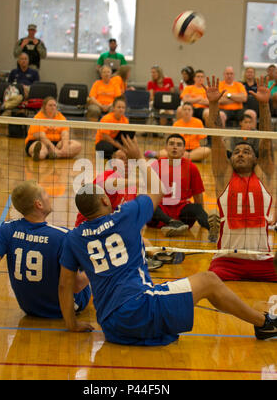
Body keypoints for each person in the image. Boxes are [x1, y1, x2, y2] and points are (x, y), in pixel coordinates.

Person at [58, 135, 277, 344]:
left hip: (109, 324)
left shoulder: (73, 238)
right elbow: (158, 190)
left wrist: (72, 324)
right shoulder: (125, 216)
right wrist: (140, 159)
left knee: (154, 267)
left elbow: (65, 286)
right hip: (140, 308)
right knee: (209, 280)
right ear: (106, 200)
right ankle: (265, 324)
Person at [0, 181, 92, 322]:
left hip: (29, 308)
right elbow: (77, 286)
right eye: (44, 193)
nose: (48, 195)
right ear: (39, 204)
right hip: (66, 308)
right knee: (87, 262)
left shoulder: (6, 229)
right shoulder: (62, 236)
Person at [204, 75, 277, 282]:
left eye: (246, 151)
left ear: (256, 159)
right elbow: (216, 139)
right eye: (236, 152)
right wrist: (213, 104)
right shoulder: (224, 176)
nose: (241, 154)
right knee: (207, 281)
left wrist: (264, 106)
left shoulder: (264, 175)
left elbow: (266, 142)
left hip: (262, 260)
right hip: (228, 260)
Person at [75, 149, 162, 271]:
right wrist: (140, 182)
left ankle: (159, 255)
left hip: (108, 230)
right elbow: (110, 184)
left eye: (129, 160)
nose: (126, 162)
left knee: (141, 239)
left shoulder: (131, 187)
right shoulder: (106, 175)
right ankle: (143, 258)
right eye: (121, 159)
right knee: (134, 239)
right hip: (88, 230)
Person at [145, 134, 212, 239]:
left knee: (197, 208)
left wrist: (200, 214)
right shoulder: (155, 166)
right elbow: (148, 195)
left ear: (184, 150)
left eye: (179, 145)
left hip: (182, 212)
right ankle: (172, 223)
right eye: (171, 144)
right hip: (160, 212)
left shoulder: (191, 167)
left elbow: (198, 195)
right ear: (166, 148)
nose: (175, 147)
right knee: (146, 204)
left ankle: (212, 229)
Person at [25, 96, 82, 161]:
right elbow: (41, 136)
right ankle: (42, 154)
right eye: (50, 105)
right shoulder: (38, 117)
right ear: (44, 107)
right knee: (41, 152)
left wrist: (64, 148)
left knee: (77, 146)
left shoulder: (60, 117)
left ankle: (55, 155)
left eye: (54, 105)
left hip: (57, 143)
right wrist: (54, 149)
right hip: (40, 141)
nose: (53, 107)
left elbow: (65, 134)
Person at [95, 95, 134, 160]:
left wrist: (128, 149)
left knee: (130, 131)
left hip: (115, 142)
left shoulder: (125, 120)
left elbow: (125, 137)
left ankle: (118, 153)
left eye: (123, 108)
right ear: (113, 108)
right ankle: (113, 155)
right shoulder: (107, 118)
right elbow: (105, 137)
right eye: (119, 107)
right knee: (107, 148)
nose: (121, 109)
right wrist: (121, 147)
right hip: (103, 142)